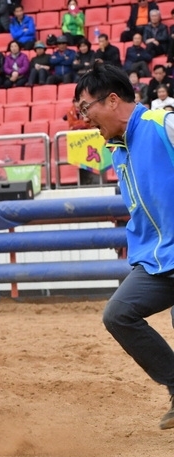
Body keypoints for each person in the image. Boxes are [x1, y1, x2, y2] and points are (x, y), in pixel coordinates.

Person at [75, 63, 174, 429]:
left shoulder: (161, 124)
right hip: (156, 260)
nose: (85, 118)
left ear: (113, 100)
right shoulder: (118, 150)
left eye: (86, 108)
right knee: (118, 314)